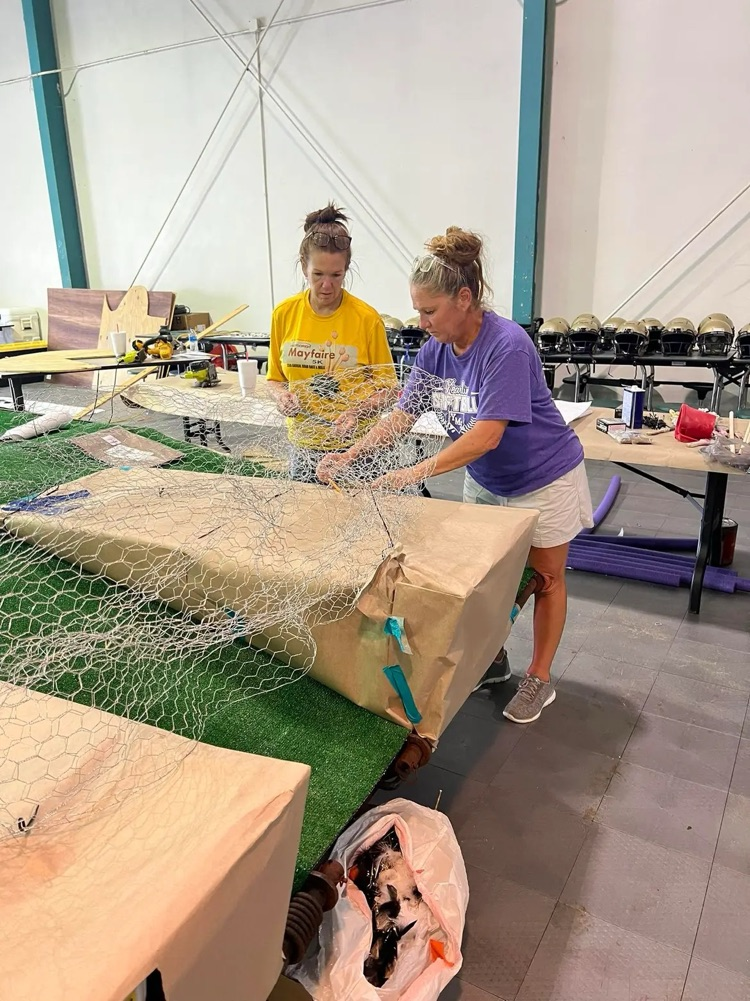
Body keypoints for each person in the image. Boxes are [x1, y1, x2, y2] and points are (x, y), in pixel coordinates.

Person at [317, 226, 593, 724]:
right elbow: (403, 414)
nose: (421, 322)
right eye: (417, 310)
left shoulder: (505, 345)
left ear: (464, 299)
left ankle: (539, 678)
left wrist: (410, 473)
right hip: (486, 481)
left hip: (544, 478)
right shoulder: (434, 350)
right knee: (485, 580)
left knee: (546, 580)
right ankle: (493, 660)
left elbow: (487, 434)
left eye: (429, 310)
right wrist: (351, 455)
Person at [266, 203, 397, 482]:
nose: (327, 285)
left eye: (336, 275)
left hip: (358, 450)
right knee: (305, 522)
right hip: (303, 447)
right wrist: (281, 396)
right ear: (304, 267)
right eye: (318, 275)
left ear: (346, 269)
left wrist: (356, 413)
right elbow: (274, 379)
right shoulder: (284, 315)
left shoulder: (366, 319)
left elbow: (388, 390)